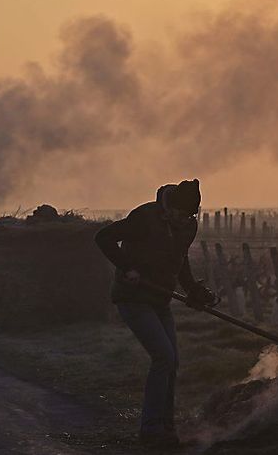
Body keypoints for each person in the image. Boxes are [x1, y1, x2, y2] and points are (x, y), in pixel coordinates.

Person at [95, 179, 216, 447]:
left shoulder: (187, 226)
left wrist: (194, 290)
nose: (184, 219)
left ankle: (166, 427)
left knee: (172, 362)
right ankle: (150, 429)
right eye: (181, 213)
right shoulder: (144, 217)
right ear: (169, 206)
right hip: (133, 297)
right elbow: (103, 238)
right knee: (163, 356)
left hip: (160, 299)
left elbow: (180, 261)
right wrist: (127, 267)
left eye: (190, 215)